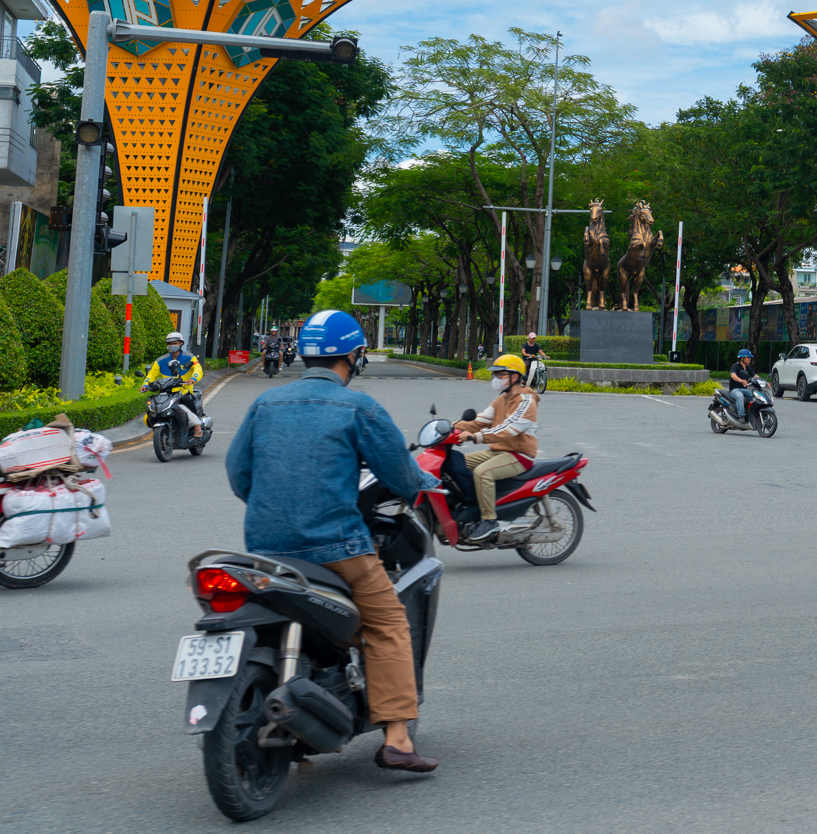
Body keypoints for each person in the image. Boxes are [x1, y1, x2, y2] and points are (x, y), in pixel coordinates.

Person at [224, 309, 441, 773]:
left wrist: (273, 508)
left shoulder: (266, 403)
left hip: (264, 550)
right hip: (336, 548)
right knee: (387, 624)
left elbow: (239, 476)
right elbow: (400, 475)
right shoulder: (359, 407)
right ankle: (398, 740)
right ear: (355, 356)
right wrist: (423, 481)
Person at [458, 354, 540, 543]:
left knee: (482, 472)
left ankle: (489, 521)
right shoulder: (501, 399)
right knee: (458, 463)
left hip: (519, 455)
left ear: (514, 377)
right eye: (495, 375)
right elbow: (479, 421)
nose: (496, 379)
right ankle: (471, 508)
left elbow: (507, 429)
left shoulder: (526, 400)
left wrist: (474, 437)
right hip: (498, 451)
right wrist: (449, 428)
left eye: (500, 375)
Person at [147, 331, 208, 438]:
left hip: (184, 391)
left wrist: (193, 378)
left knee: (187, 401)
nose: (172, 346)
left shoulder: (189, 357)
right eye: (169, 344)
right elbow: (152, 374)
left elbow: (198, 369)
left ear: (181, 344)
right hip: (166, 392)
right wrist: (145, 385)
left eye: (174, 343)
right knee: (152, 408)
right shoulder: (161, 360)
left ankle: (197, 426)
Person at [723, 348, 762, 424]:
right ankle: (741, 416)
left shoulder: (748, 368)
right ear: (742, 358)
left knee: (756, 396)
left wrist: (764, 382)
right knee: (740, 396)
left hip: (745, 390)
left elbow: (755, 376)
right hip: (735, 390)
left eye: (750, 357)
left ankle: (753, 414)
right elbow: (733, 375)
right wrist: (741, 380)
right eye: (748, 357)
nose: (749, 359)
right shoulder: (735, 366)